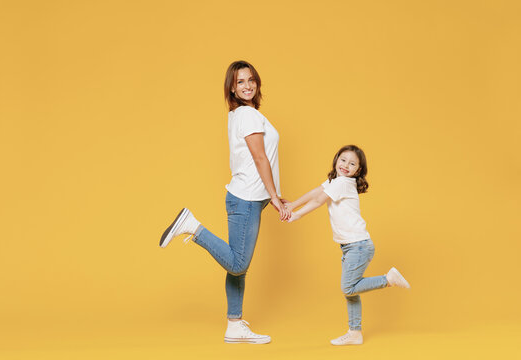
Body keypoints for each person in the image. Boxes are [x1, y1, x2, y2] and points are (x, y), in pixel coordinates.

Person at [159, 60, 289, 344]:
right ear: (231, 87)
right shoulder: (248, 115)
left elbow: (256, 158)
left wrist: (272, 195)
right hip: (245, 199)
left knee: (236, 262)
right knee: (239, 264)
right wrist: (276, 197)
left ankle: (234, 324)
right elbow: (259, 158)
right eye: (240, 81)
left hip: (245, 197)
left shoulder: (239, 115)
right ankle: (193, 227)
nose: (247, 85)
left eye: (251, 80)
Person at [285, 145, 410, 346]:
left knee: (348, 287)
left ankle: (388, 279)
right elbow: (316, 191)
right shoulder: (335, 181)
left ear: (358, 170)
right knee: (352, 291)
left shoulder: (343, 183)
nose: (345, 165)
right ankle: (354, 332)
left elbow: (318, 200)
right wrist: (292, 205)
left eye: (352, 164)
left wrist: (296, 214)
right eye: (343, 160)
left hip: (358, 246)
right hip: (351, 246)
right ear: (336, 160)